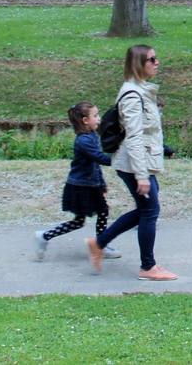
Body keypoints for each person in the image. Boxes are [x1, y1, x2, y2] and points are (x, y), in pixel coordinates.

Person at [87, 44, 177, 281]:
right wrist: (141, 175)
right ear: (139, 64)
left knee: (147, 210)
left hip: (141, 162)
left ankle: (99, 243)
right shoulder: (132, 95)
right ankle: (147, 267)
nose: (157, 62)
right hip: (134, 164)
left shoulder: (141, 90)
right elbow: (134, 137)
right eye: (152, 59)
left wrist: (163, 151)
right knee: (150, 212)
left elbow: (148, 133)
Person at [34, 102, 121, 262]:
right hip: (80, 187)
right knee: (89, 217)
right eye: (95, 115)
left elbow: (94, 165)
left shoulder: (92, 136)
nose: (99, 118)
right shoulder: (83, 141)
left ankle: (45, 236)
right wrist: (120, 159)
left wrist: (101, 184)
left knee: (95, 215)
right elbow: (99, 158)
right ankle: (100, 246)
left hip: (89, 185)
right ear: (85, 120)